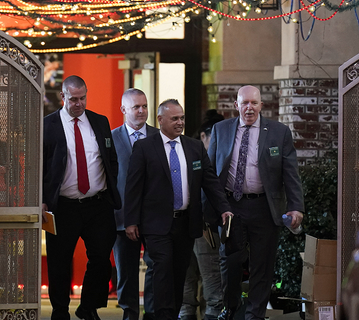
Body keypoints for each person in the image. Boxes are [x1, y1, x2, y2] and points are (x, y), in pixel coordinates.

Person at [124, 99, 233, 320]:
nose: (180, 122)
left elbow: (210, 182)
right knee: (162, 270)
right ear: (160, 120)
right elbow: (133, 187)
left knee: (178, 274)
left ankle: (170, 315)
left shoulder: (194, 148)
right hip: (156, 224)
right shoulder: (145, 147)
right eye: (174, 119)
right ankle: (162, 315)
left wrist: (224, 209)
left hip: (186, 223)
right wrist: (131, 220)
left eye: (182, 118)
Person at [207, 85, 304, 320]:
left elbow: (290, 173)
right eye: (244, 103)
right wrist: (209, 210)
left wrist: (295, 206)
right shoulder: (221, 130)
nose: (249, 107)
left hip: (264, 207)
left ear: (262, 105)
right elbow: (209, 174)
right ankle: (230, 308)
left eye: (254, 103)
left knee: (263, 265)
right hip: (231, 208)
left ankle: (254, 315)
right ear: (236, 105)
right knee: (230, 262)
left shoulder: (278, 133)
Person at [42, 75, 122, 320]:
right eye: (73, 99)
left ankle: (88, 307)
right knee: (59, 262)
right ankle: (60, 311)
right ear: (62, 97)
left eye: (82, 98)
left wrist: (109, 190)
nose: (78, 103)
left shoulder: (99, 121)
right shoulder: (49, 125)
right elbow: (40, 166)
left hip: (97, 204)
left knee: (100, 259)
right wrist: (43, 199)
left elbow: (110, 159)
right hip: (63, 206)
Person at [111, 88, 158, 320]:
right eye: (136, 107)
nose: (141, 111)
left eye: (145, 106)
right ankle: (129, 314)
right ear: (123, 110)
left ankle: (151, 313)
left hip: (154, 217)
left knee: (155, 268)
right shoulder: (110, 139)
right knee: (126, 272)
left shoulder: (160, 137)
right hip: (121, 217)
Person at [179, 110, 225, 320]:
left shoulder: (194, 152)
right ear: (204, 136)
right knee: (192, 278)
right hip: (189, 224)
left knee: (210, 279)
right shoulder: (193, 152)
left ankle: (206, 313)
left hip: (205, 226)